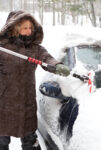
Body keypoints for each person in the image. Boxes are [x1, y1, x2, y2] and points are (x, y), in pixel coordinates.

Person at [0, 10, 70, 150]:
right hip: (4, 103)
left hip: (27, 103)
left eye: (30, 28)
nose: (28, 31)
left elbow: (47, 59)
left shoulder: (35, 49)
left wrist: (57, 66)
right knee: (1, 140)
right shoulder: (3, 48)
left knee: (30, 141)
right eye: (25, 27)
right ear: (14, 28)